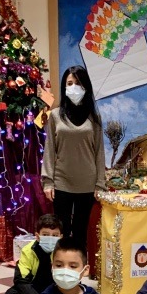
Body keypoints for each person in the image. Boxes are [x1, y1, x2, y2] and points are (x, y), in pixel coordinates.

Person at [41, 66, 105, 242]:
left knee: (80, 232)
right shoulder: (55, 116)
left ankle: (80, 261)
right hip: (61, 183)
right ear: (64, 86)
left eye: (78, 83)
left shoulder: (94, 118)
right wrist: (48, 182)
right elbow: (49, 150)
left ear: (86, 87)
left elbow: (99, 152)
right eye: (69, 83)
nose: (74, 87)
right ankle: (61, 261)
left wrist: (100, 184)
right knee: (61, 232)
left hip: (87, 184)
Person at [0, 214, 62, 294]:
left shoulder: (64, 251)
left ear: (61, 237)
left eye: (55, 235)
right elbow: (21, 280)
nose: (50, 239)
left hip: (55, 289)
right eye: (45, 235)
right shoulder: (28, 250)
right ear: (37, 236)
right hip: (34, 289)